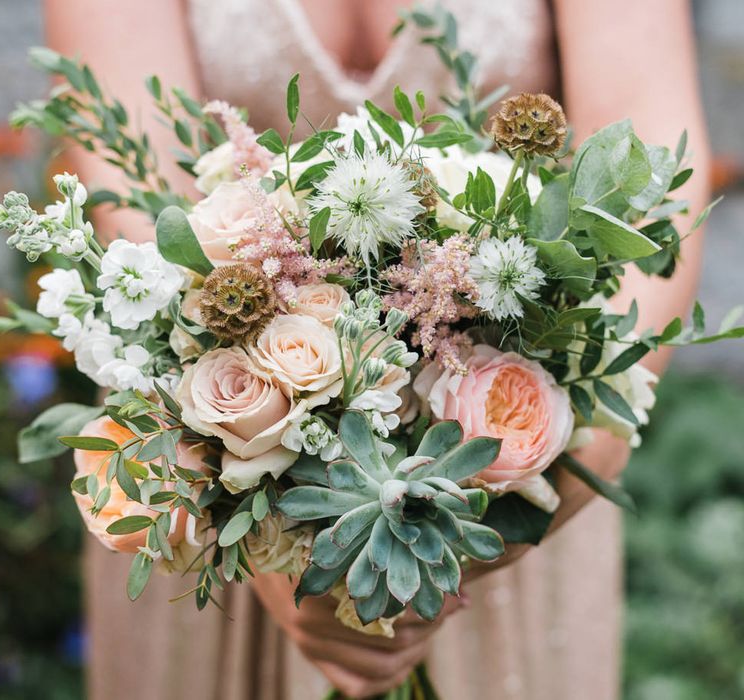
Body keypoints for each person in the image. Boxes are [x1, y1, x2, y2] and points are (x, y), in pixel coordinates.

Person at [44, 1, 709, 698]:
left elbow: (653, 199)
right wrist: (272, 541)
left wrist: (570, 439)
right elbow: (145, 214)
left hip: (504, 481)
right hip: (217, 474)